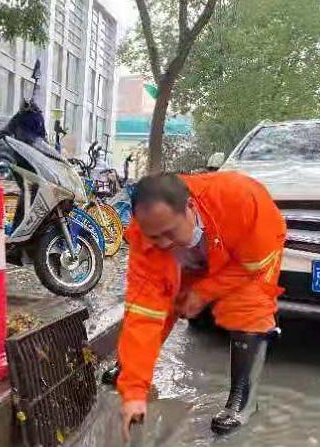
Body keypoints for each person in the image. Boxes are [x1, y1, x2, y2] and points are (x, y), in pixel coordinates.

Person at [105, 171, 286, 440]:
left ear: (190, 207)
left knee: (248, 305)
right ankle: (131, 368)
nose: (164, 243)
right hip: (195, 258)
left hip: (245, 261)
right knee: (162, 301)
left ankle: (242, 401)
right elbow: (145, 311)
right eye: (155, 237)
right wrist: (134, 390)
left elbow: (253, 265)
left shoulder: (241, 200)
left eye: (170, 232)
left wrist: (202, 293)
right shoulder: (147, 238)